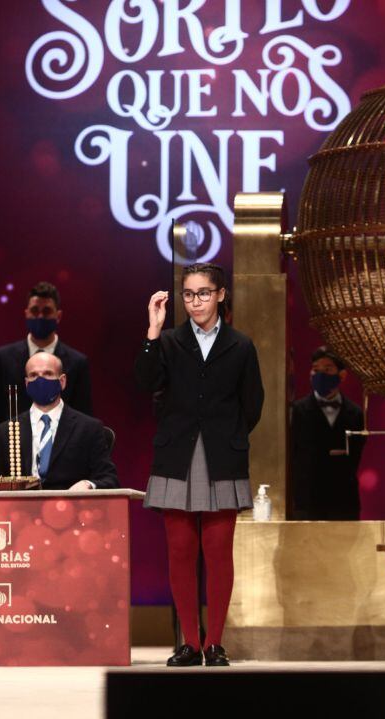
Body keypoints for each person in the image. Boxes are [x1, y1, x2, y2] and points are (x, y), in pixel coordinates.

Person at [136, 263, 264, 668]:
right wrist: (153, 331)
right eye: (189, 295)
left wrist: (228, 436)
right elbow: (144, 382)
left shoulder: (241, 346)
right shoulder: (169, 342)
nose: (196, 302)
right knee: (180, 551)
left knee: (218, 551)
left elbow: (253, 405)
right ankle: (189, 643)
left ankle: (215, 643)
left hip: (222, 456)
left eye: (204, 293)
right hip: (177, 455)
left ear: (221, 295)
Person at [0, 282, 93, 464]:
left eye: (46, 311)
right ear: (26, 313)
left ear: (58, 315)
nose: (40, 316)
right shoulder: (3, 358)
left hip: (63, 462)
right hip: (12, 460)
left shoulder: (77, 363)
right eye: (35, 310)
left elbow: (84, 419)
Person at [0, 352, 118, 490]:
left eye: (48, 374)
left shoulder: (89, 428)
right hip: (20, 510)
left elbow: (109, 479)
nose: (40, 380)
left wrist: (88, 484)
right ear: (27, 384)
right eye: (33, 375)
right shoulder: (6, 430)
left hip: (69, 507)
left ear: (62, 381)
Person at [290, 346, 366, 520]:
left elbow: (356, 456)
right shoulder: (297, 411)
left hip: (344, 500)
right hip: (306, 500)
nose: (320, 374)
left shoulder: (356, 413)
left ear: (342, 375)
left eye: (328, 369)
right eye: (316, 370)